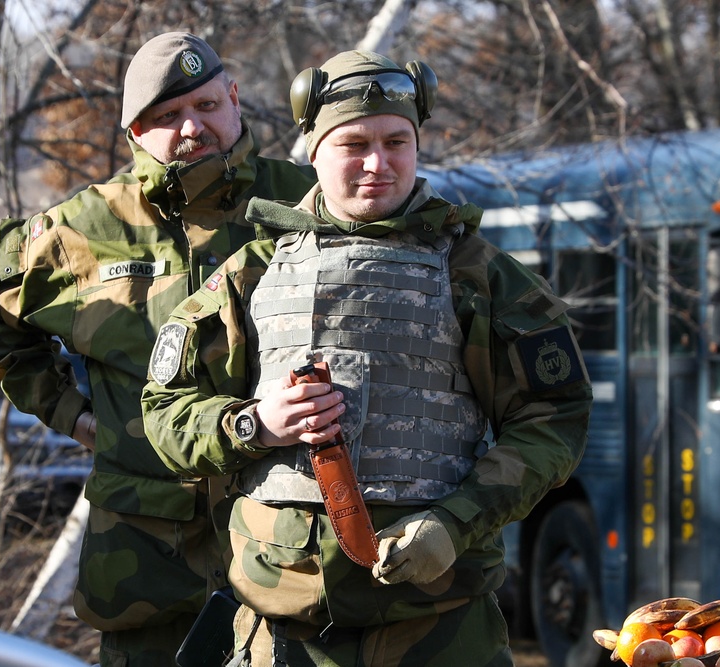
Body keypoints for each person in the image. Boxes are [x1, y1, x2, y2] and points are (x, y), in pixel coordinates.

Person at [141, 50, 592, 666]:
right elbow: (167, 411)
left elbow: (554, 419)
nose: (378, 164)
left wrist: (457, 523)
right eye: (354, 144)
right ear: (314, 151)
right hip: (281, 634)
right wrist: (254, 423)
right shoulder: (254, 273)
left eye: (396, 142)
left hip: (437, 630)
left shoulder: (479, 276)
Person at [0, 32, 315, 667]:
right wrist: (71, 414)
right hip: (150, 563)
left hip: (291, 546)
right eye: (167, 116)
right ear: (133, 131)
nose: (192, 128)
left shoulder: (308, 204)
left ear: (234, 99)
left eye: (206, 106)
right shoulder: (79, 231)